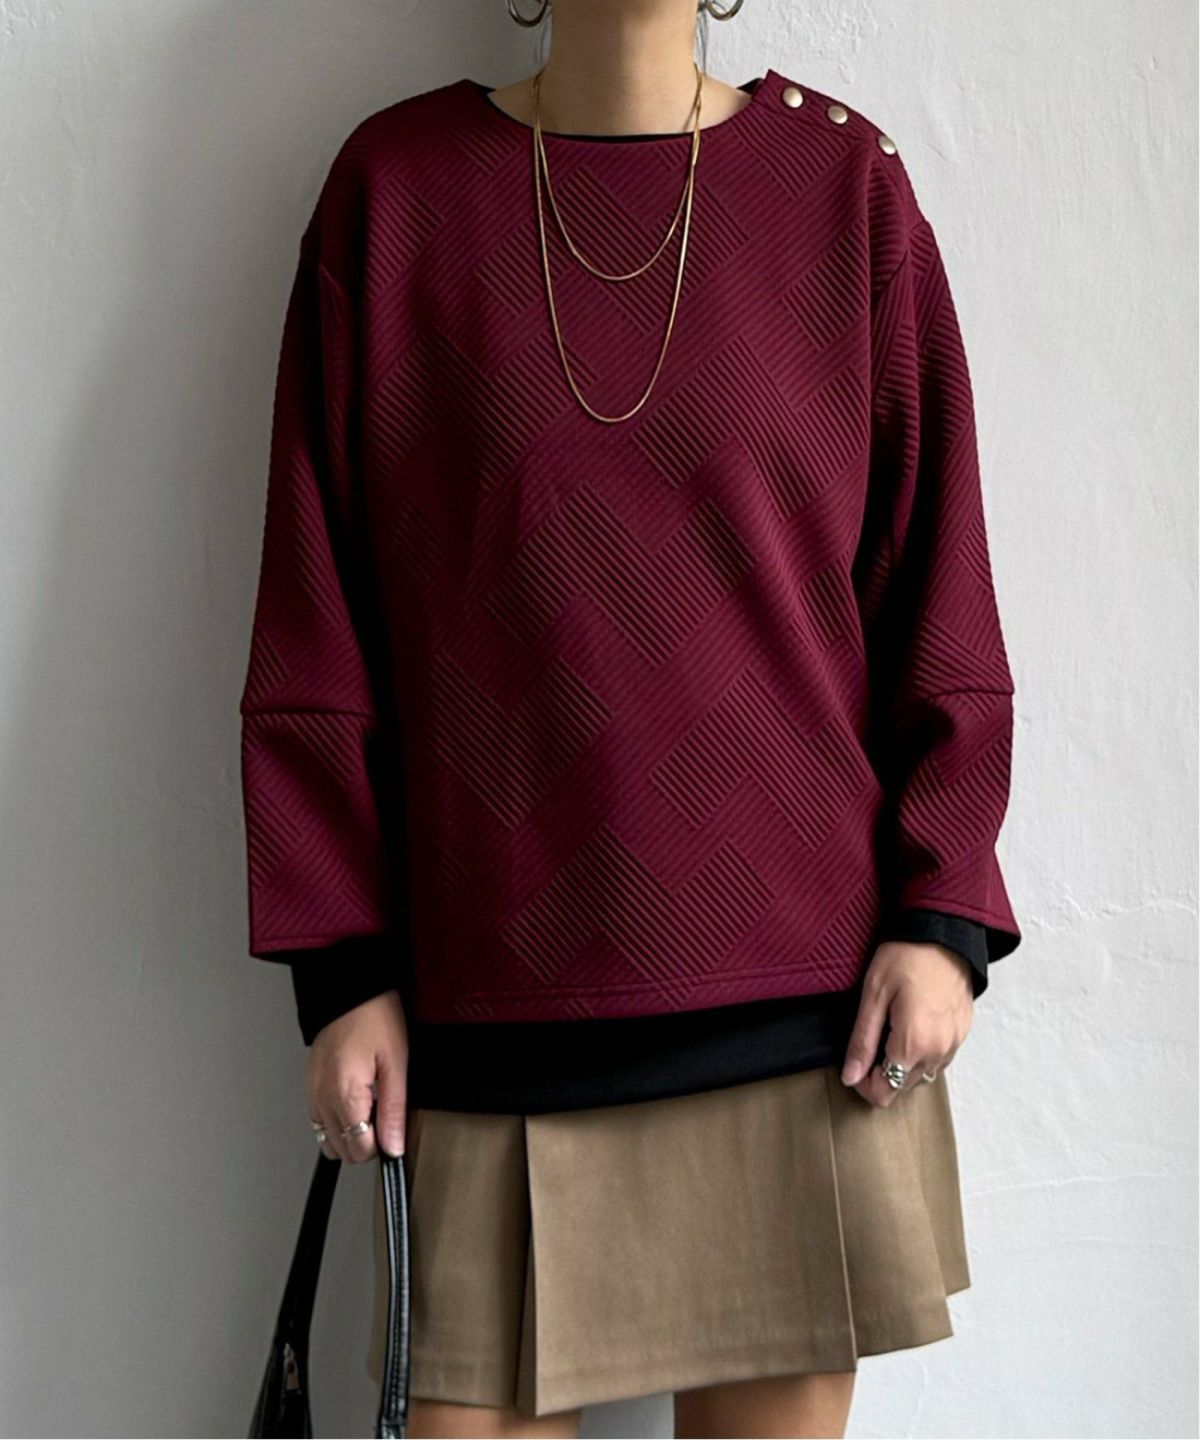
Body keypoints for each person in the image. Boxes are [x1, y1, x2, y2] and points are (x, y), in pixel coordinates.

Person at [236, 2, 1021, 1435]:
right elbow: (315, 607)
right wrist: (341, 967)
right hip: (482, 1016)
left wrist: (942, 911)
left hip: (809, 1031)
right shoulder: (395, 195)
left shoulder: (843, 190)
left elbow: (938, 582)